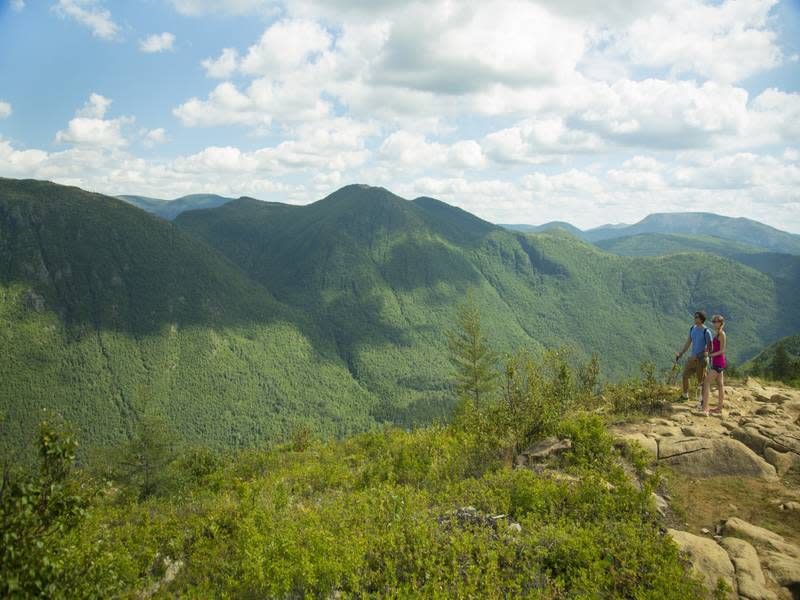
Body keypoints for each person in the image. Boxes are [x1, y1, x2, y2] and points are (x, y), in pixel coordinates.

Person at [675, 311, 713, 403]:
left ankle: (703, 400)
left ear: (701, 319)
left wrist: (700, 356)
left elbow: (710, 348)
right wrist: (681, 353)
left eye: (697, 317)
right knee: (685, 375)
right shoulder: (692, 329)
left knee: (701, 380)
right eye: (695, 317)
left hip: (701, 359)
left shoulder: (706, 331)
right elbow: (688, 342)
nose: (695, 318)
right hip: (692, 358)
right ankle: (685, 396)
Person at [702, 314, 726, 414]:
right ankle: (719, 408)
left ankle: (705, 408)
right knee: (720, 385)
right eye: (714, 322)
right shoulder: (717, 333)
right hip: (717, 362)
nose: (715, 323)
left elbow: (722, 350)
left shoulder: (722, 334)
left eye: (717, 321)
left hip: (718, 362)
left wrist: (710, 355)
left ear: (721, 322)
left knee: (706, 382)